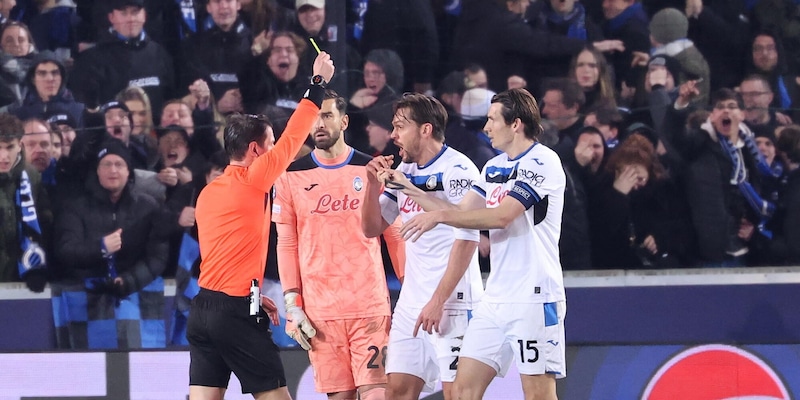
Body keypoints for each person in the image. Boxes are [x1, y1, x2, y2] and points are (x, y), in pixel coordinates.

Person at [391, 88, 567, 399]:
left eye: (491, 120)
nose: (486, 128)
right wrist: (409, 189)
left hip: (534, 297)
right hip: (495, 299)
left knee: (538, 393)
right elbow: (462, 214)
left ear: (515, 124)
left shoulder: (543, 161)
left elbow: (501, 217)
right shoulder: (493, 167)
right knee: (461, 390)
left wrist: (439, 216)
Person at [187, 51, 334, 400]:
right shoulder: (254, 179)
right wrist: (317, 84)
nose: (275, 153)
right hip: (234, 315)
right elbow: (294, 137)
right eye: (269, 146)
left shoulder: (209, 192)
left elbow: (226, 258)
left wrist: (253, 296)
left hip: (204, 309)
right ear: (255, 149)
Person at [272, 89, 405, 399]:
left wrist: (410, 288)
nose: (319, 124)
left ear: (344, 121)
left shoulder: (371, 169)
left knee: (376, 394)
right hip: (320, 314)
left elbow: (394, 236)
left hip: (369, 307)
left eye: (327, 115)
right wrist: (293, 305)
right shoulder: (291, 176)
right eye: (314, 117)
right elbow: (287, 243)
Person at [360, 93, 484, 400]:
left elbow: (468, 237)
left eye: (400, 127)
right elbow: (372, 227)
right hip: (412, 302)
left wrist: (438, 300)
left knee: (459, 394)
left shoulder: (458, 169)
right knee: (398, 391)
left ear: (425, 130)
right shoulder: (407, 171)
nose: (393, 135)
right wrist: (373, 185)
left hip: (453, 302)